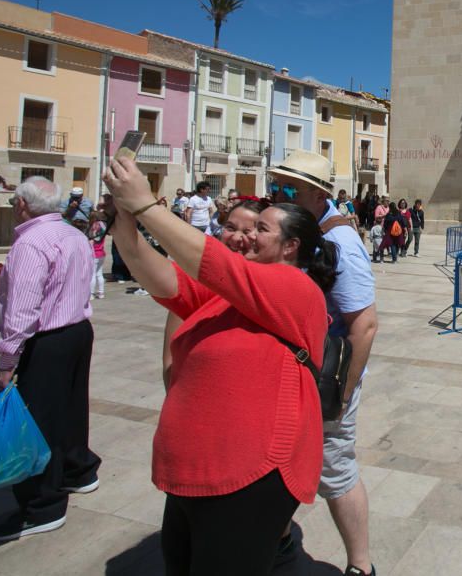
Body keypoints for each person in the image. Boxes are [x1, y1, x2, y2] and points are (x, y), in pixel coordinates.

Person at [103, 155, 334, 575]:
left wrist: (145, 206)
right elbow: (161, 278)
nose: (246, 238)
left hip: (249, 473)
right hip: (199, 468)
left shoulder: (296, 288)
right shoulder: (233, 291)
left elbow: (214, 261)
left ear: (290, 246)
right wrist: (124, 222)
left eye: (260, 230)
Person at [267, 149, 378, 576]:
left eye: (288, 187)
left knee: (335, 470)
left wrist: (341, 393)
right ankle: (276, 538)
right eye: (277, 184)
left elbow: (364, 325)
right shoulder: (302, 231)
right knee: (283, 456)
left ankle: (361, 565)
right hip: (296, 375)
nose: (277, 193)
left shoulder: (340, 244)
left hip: (326, 382)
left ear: (317, 196)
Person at [0, 177, 99, 541]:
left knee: (37, 421)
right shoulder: (72, 234)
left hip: (47, 338)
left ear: (21, 204)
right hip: (77, 331)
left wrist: (7, 362)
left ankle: (42, 506)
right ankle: (77, 471)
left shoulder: (30, 242)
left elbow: (23, 308)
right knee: (70, 407)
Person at [162, 200, 263, 390]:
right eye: (230, 228)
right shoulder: (196, 283)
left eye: (248, 231)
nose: (235, 238)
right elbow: (170, 364)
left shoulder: (269, 292)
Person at [88, 209, 108, 299]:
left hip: (94, 254)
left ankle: (91, 294)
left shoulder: (93, 228)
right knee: (99, 274)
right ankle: (101, 293)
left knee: (92, 275)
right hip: (102, 253)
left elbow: (91, 242)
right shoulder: (103, 226)